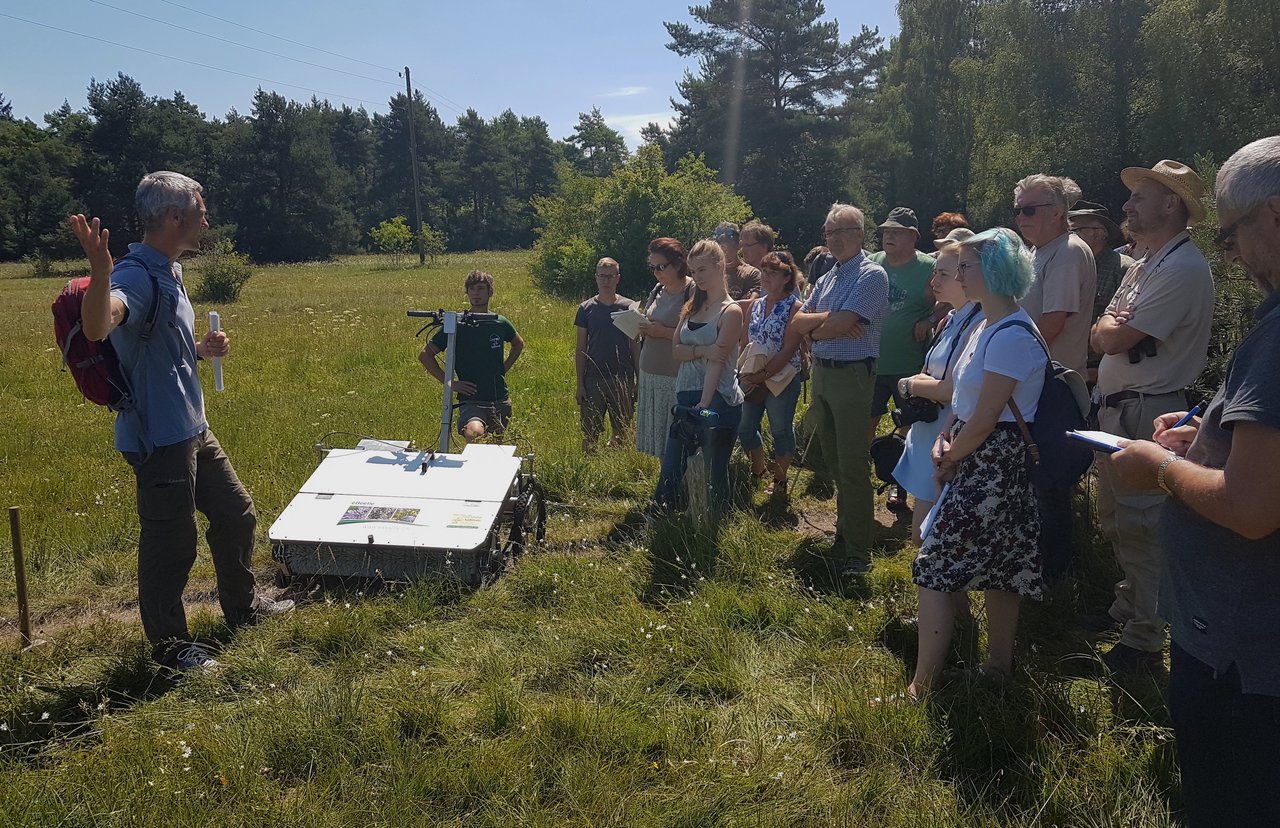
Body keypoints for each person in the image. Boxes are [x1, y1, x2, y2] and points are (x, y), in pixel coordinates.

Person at [1108, 136, 1280, 828]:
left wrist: (1163, 468)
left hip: (1243, 661)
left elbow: (1251, 507)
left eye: (1234, 234)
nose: (1230, 254)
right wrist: (1211, 426)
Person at [68, 172, 292, 672]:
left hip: (193, 427)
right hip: (158, 438)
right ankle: (170, 648)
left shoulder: (169, 270)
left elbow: (154, 349)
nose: (206, 218)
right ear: (175, 216)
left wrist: (198, 349)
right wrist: (101, 273)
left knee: (237, 514)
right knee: (172, 543)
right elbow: (101, 324)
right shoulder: (135, 275)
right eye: (201, 210)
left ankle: (243, 608)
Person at [908, 228, 1047, 699]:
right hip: (977, 456)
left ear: (991, 270)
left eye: (965, 264)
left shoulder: (1010, 334)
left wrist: (951, 455)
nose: (956, 273)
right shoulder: (988, 325)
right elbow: (966, 403)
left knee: (935, 565)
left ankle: (923, 686)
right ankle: (996, 666)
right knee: (1001, 567)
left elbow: (988, 418)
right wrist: (946, 442)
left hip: (992, 464)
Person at [1087, 161, 1215, 673]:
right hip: (1123, 410)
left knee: (1142, 526)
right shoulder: (1147, 262)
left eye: (1139, 197)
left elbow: (1112, 336)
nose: (1127, 206)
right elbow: (1104, 325)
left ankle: (1144, 639)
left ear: (1170, 205)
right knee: (1118, 520)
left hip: (1151, 413)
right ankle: (1130, 610)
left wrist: (1111, 326)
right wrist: (1110, 326)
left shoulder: (1183, 268)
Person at [790, 203, 889, 576]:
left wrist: (821, 326)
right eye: (829, 232)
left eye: (842, 231)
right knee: (833, 461)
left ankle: (858, 554)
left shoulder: (871, 275)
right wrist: (823, 325)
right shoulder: (829, 276)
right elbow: (799, 322)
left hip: (852, 376)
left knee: (852, 464)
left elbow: (843, 322)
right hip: (824, 374)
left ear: (861, 234)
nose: (834, 239)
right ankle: (844, 536)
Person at [1013, 173, 1097, 580]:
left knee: (1049, 486)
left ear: (1059, 213)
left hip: (1052, 387)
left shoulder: (1065, 251)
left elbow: (1053, 323)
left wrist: (1006, 356)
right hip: (1035, 382)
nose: (1021, 217)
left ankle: (1053, 578)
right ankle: (1038, 568)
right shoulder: (1041, 251)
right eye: (1018, 210)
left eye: (1030, 209)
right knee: (1036, 485)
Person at [893, 240, 985, 544]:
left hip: (946, 440)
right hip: (930, 436)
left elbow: (950, 389)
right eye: (936, 274)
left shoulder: (978, 324)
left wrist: (907, 385)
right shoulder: (951, 319)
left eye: (943, 275)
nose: (934, 282)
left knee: (928, 539)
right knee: (925, 539)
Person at [652, 239, 744, 516]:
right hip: (686, 393)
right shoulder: (691, 306)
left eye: (703, 270)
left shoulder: (732, 311)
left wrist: (704, 404)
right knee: (672, 464)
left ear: (720, 266)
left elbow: (718, 363)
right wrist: (702, 350)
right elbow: (676, 350)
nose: (698, 277)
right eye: (694, 270)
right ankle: (660, 516)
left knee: (712, 472)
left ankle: (711, 527)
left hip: (718, 398)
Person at [869, 207, 940, 510]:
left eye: (897, 232)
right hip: (871, 362)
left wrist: (932, 318)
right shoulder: (872, 263)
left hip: (909, 368)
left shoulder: (928, 268)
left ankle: (900, 488)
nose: (889, 236)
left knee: (908, 430)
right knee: (864, 424)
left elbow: (950, 300)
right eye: (886, 231)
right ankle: (858, 482)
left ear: (913, 237)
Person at [420, 270, 524, 443]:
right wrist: (450, 383)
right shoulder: (458, 324)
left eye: (481, 288)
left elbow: (518, 344)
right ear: (467, 292)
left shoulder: (499, 322)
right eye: (472, 289)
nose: (476, 293)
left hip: (500, 398)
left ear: (490, 292)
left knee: (496, 448)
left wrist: (503, 368)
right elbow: (425, 355)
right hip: (471, 400)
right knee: (474, 434)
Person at [737, 251, 804, 499]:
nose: (765, 276)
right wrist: (746, 372)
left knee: (780, 430)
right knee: (745, 427)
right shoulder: (756, 304)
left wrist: (764, 374)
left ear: (787, 277)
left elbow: (789, 347)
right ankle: (759, 468)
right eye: (764, 271)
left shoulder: (795, 307)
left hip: (781, 378)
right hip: (753, 375)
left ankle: (780, 479)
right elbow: (745, 341)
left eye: (772, 272)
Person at [574, 257, 640, 453]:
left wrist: (639, 380)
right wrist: (580, 383)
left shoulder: (628, 307)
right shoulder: (585, 308)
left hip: (623, 377)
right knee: (590, 431)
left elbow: (635, 346)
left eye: (610, 276)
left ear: (618, 278)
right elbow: (580, 348)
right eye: (602, 276)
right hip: (593, 377)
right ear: (596, 278)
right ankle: (589, 468)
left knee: (622, 430)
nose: (606, 281)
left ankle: (616, 466)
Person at [636, 238, 694, 457]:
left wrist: (662, 332)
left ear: (678, 264)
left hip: (675, 376)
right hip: (649, 371)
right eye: (653, 267)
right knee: (659, 438)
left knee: (676, 436)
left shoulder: (693, 290)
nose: (656, 272)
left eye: (661, 267)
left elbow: (696, 334)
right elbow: (651, 319)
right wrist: (641, 325)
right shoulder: (658, 288)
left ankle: (679, 485)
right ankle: (666, 482)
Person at [1068, 200, 1136, 386]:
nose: (1069, 236)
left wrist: (1100, 369)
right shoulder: (1068, 267)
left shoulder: (1123, 268)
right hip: (1067, 366)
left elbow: (1129, 325)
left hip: (1102, 372)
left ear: (1100, 234)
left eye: (1075, 230)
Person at [714, 221, 762, 301]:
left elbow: (750, 304)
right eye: (721, 247)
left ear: (739, 245)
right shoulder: (711, 272)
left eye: (729, 246)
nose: (724, 252)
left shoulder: (751, 273)